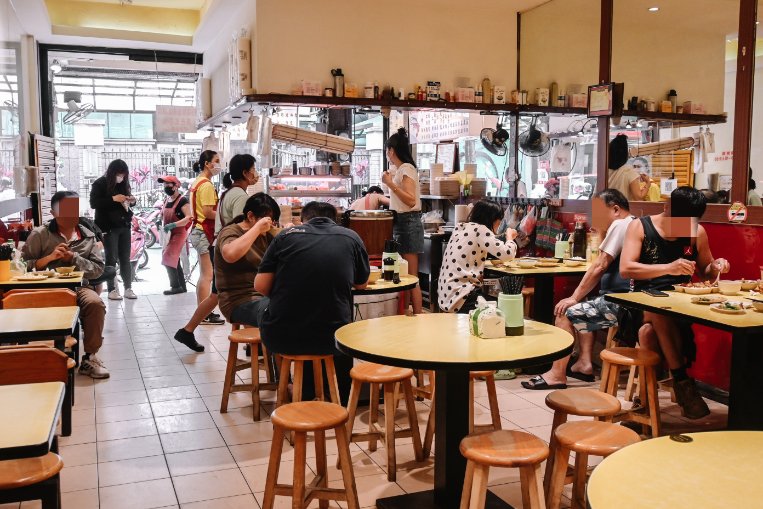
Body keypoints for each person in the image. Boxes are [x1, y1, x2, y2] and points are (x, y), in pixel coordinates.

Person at [620, 186, 730, 419]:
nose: (683, 227)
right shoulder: (640, 226)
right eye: (679, 220)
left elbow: (707, 273)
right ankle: (683, 382)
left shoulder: (694, 231)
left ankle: (646, 405)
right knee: (657, 310)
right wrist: (668, 268)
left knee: (649, 334)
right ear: (667, 207)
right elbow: (626, 269)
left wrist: (717, 265)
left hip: (680, 308)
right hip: (640, 303)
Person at [255, 201, 370, 403]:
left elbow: (261, 286)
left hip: (283, 337)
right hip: (334, 338)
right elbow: (361, 284)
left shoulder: (285, 236)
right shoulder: (351, 237)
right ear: (335, 220)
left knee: (276, 313)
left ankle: (296, 389)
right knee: (330, 318)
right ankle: (333, 397)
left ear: (302, 220)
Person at [522, 189, 634, 390]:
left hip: (622, 305)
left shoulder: (620, 224)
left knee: (565, 311)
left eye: (599, 212)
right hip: (633, 302)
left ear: (616, 209)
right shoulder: (635, 223)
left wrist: (573, 297)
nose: (595, 217)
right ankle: (584, 364)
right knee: (586, 304)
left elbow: (600, 265)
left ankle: (557, 374)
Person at [22, 191, 112, 378]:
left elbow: (97, 269)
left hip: (78, 288)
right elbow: (21, 266)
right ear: (53, 213)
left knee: (95, 304)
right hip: (45, 289)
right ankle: (34, 358)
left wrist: (74, 258)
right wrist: (49, 258)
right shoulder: (40, 234)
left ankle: (89, 357)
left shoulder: (87, 236)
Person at [438, 200, 518, 313]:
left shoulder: (460, 227)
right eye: (499, 221)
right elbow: (507, 254)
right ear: (492, 219)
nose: (499, 224)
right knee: (503, 311)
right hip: (461, 296)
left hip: (446, 295)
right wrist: (510, 238)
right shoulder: (481, 230)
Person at [216, 193, 278, 326]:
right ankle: (262, 346)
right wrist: (257, 228)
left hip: (264, 295)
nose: (270, 224)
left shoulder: (267, 234)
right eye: (267, 220)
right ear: (250, 216)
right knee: (278, 312)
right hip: (237, 300)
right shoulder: (231, 231)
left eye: (273, 221)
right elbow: (230, 254)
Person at [381, 128, 424, 314]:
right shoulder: (400, 170)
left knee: (411, 276)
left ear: (391, 150)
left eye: (387, 151)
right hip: (402, 223)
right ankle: (407, 312)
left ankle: (419, 315)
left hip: (408, 223)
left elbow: (410, 200)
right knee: (405, 275)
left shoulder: (406, 169)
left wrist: (390, 184)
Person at [89, 158, 137, 300]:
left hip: (124, 225)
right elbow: (94, 203)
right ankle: (112, 290)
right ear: (112, 172)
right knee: (111, 258)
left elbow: (127, 203)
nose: (121, 178)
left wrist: (131, 201)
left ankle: (128, 288)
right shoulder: (100, 183)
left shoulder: (124, 184)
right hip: (108, 227)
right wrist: (113, 199)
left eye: (123, 175)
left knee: (125, 258)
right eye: (119, 174)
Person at [187, 150, 224, 326]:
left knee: (204, 274)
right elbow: (209, 212)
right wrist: (224, 216)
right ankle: (205, 313)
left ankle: (203, 312)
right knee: (207, 275)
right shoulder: (207, 185)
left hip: (197, 230)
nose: (218, 164)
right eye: (216, 161)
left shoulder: (197, 182)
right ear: (207, 164)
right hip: (203, 231)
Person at [158, 175, 192, 295]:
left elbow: (189, 217)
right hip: (169, 234)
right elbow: (164, 214)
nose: (166, 186)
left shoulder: (182, 200)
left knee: (167, 257)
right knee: (173, 259)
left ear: (176, 186)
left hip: (179, 232)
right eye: (164, 184)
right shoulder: (167, 199)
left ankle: (175, 286)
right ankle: (182, 286)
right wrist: (159, 220)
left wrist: (173, 225)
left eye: (169, 184)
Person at [215, 154, 260, 235]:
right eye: (253, 169)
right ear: (245, 173)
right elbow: (241, 228)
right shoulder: (240, 196)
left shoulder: (230, 191)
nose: (255, 173)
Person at [608, 135, 649, 202]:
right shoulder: (628, 172)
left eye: (639, 166)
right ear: (625, 154)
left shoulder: (603, 171)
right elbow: (638, 197)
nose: (637, 169)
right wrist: (648, 183)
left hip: (605, 209)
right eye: (635, 166)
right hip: (621, 210)